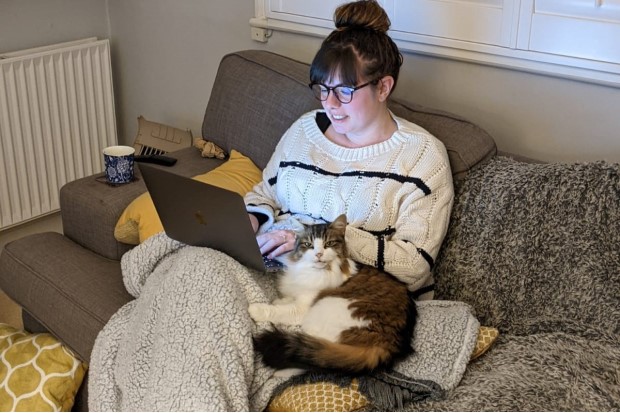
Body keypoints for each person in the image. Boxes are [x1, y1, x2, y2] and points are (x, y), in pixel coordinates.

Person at [246, 0, 454, 299]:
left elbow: (414, 265)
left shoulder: (421, 157)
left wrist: (309, 241)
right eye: (323, 88)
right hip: (269, 269)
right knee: (190, 262)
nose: (329, 104)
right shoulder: (304, 130)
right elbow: (265, 193)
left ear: (383, 87)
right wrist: (249, 220)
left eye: (344, 91)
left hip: (354, 296)